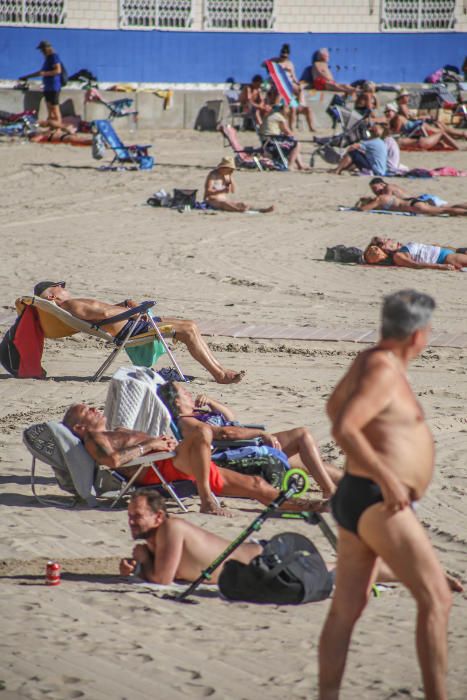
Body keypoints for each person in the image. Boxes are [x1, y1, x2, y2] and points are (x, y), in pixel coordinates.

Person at [318, 290, 453, 700]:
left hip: (359, 494)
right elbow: (344, 427)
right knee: (437, 598)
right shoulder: (383, 369)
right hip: (379, 498)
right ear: (418, 335)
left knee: (347, 608)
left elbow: (333, 408)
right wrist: (387, 475)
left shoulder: (370, 360)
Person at [120, 490, 463, 589]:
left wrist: (141, 561)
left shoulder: (171, 530)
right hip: (261, 563)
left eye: (137, 515)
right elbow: (176, 573)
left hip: (266, 562)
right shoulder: (158, 537)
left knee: (342, 572)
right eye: (130, 516)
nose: (132, 522)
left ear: (159, 516)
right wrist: (141, 560)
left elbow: (163, 579)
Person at [62, 403, 317, 517]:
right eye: (87, 411)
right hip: (161, 466)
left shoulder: (112, 429)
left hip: (170, 459)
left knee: (256, 485)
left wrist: (163, 442)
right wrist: (153, 444)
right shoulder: (95, 440)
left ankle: (310, 507)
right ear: (80, 428)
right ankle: (207, 501)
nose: (95, 409)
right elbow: (115, 461)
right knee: (203, 432)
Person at [35, 280, 245, 384]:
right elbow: (107, 312)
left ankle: (221, 370)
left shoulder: (72, 305)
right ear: (53, 295)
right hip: (130, 329)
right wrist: (131, 311)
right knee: (188, 329)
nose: (64, 287)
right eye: (60, 285)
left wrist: (125, 305)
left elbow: (103, 313)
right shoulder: (72, 305)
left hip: (129, 324)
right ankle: (219, 375)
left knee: (190, 324)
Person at [158, 381, 340, 498]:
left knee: (304, 460)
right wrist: (260, 434)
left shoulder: (199, 413)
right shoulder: (186, 422)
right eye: (184, 392)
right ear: (177, 402)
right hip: (235, 453)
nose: (189, 394)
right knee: (301, 436)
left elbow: (230, 418)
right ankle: (330, 490)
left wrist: (212, 403)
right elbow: (224, 434)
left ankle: (351, 482)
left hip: (245, 444)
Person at [19, 40, 70, 132]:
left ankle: (59, 128)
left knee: (55, 109)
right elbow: (40, 73)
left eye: (42, 50)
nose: (42, 52)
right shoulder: (47, 59)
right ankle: (52, 127)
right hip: (47, 87)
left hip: (54, 86)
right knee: (49, 108)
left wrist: (45, 73)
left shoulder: (54, 57)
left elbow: (57, 71)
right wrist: (27, 76)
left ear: (47, 48)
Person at [266, 44, 315, 132]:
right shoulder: (275, 62)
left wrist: (298, 83)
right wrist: (275, 62)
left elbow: (294, 77)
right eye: (282, 56)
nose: (283, 57)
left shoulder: (290, 64)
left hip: (289, 89)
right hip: (278, 85)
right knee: (280, 93)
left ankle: (294, 127)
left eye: (285, 56)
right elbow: (264, 64)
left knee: (294, 106)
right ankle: (276, 107)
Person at [204, 157, 274, 213]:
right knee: (225, 204)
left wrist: (230, 179)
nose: (231, 171)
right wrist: (221, 190)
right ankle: (239, 210)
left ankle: (261, 210)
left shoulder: (227, 176)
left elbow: (232, 191)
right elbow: (208, 191)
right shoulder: (213, 175)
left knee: (242, 204)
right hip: (211, 200)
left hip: (223, 199)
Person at [363, 238, 467, 270]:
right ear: (385, 249)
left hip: (448, 253)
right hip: (444, 258)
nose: (392, 240)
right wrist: (440, 266)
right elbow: (414, 265)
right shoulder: (398, 256)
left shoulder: (402, 249)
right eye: (388, 242)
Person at [259, 103, 308, 171]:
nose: (288, 111)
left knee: (293, 143)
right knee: (296, 144)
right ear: (282, 109)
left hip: (266, 142)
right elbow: (288, 132)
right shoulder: (278, 116)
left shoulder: (269, 115)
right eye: (287, 109)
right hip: (272, 142)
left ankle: (300, 165)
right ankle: (290, 165)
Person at [355, 189, 467, 217]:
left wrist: (358, 206)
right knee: (447, 207)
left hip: (412, 206)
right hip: (413, 202)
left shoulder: (378, 200)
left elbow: (363, 209)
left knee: (444, 210)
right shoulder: (384, 196)